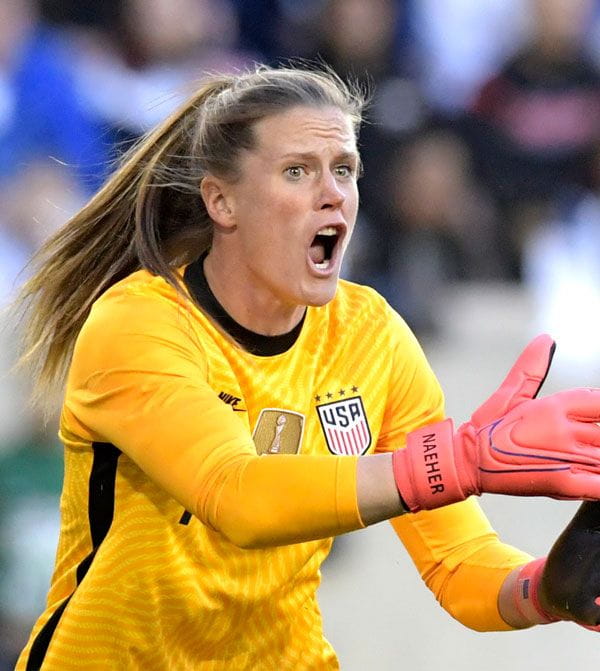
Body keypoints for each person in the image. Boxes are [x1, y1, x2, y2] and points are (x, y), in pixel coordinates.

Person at [11, 64, 600, 670]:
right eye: (297, 171)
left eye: (344, 170)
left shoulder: (372, 338)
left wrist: (543, 590)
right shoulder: (139, 324)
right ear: (221, 200)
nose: (332, 194)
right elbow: (237, 495)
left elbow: (459, 564)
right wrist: (454, 463)